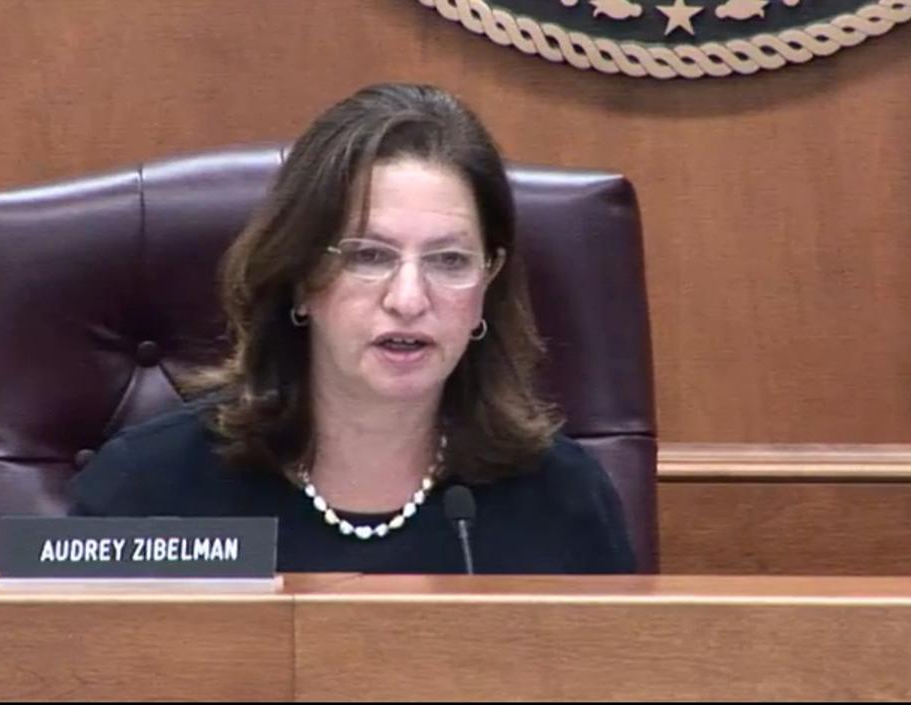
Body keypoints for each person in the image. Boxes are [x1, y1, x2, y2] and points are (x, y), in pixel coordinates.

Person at [69, 83, 636, 574]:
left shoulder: (564, 499)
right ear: (299, 277)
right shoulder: (145, 489)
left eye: (449, 261)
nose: (409, 299)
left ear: (489, 281)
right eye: (368, 256)